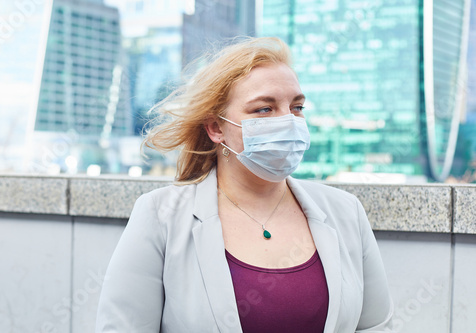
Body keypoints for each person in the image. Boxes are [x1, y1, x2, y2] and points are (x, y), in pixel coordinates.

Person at [95, 37, 394, 333]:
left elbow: (376, 326)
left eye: (297, 107)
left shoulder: (346, 212)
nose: (288, 121)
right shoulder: (160, 217)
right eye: (264, 109)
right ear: (215, 128)